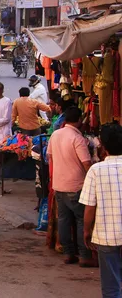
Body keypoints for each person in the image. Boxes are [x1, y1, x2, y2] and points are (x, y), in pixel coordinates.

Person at [47, 107, 97, 267]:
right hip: (76, 185)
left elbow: (50, 156)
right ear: (79, 121)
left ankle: (68, 253)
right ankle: (84, 255)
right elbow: (86, 163)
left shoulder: (55, 135)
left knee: (64, 220)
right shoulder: (77, 138)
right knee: (81, 220)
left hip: (59, 184)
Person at [80, 123, 122, 297]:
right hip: (107, 235)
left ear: (102, 147)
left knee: (111, 287)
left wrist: (86, 230)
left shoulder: (96, 170)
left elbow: (90, 206)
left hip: (106, 235)